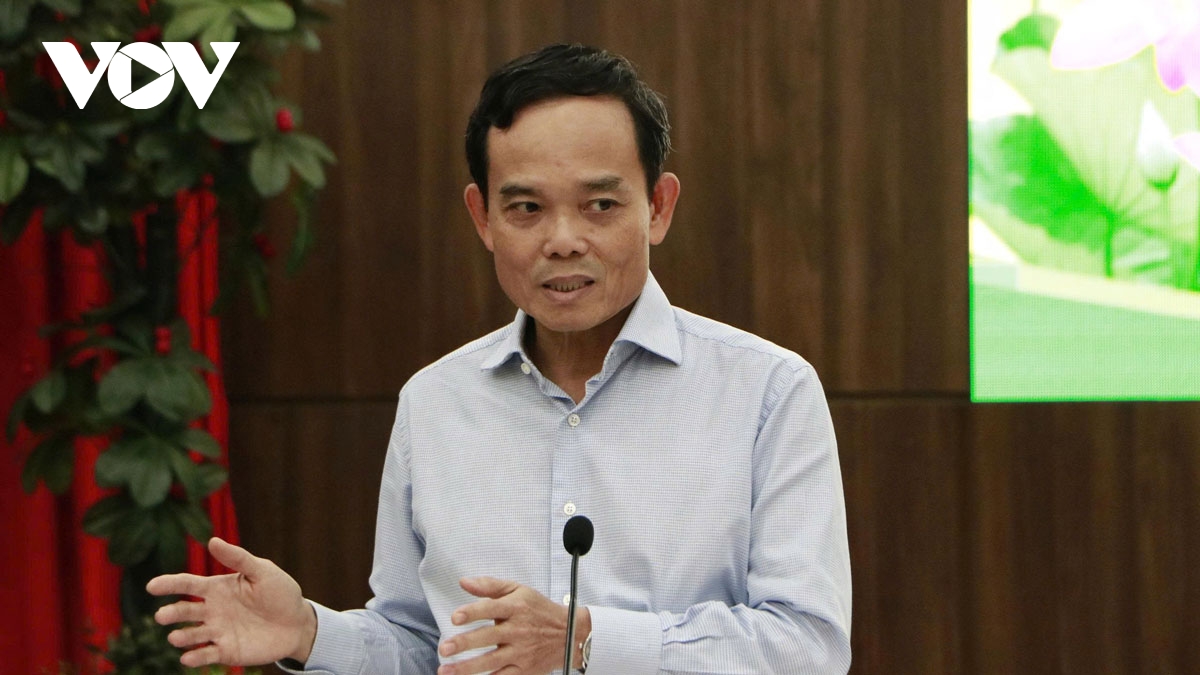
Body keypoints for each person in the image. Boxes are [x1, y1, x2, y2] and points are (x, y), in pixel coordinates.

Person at [147, 43, 852, 675]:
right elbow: (421, 646)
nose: (563, 239)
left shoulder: (767, 391)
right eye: (527, 209)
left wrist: (587, 640)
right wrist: (308, 632)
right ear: (483, 217)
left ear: (659, 207)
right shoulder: (434, 401)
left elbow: (808, 647)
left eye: (601, 205)